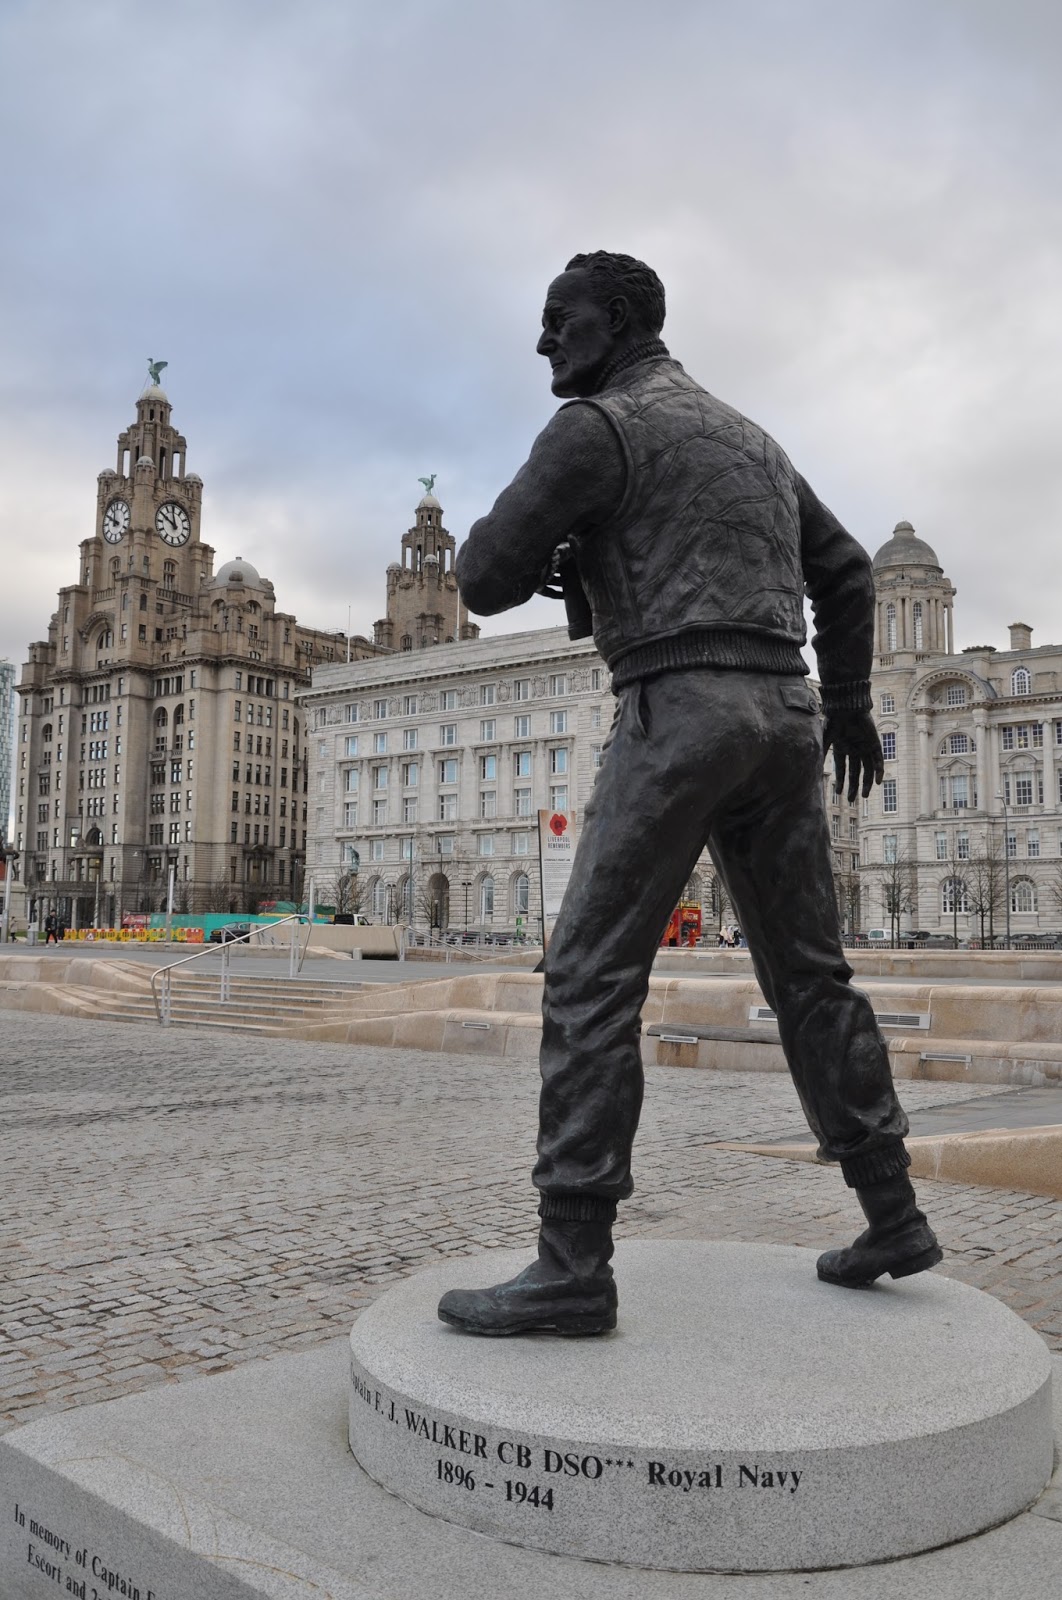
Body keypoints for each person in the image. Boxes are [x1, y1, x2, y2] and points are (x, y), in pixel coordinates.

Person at [437, 251, 940, 1338]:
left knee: (588, 977)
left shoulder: (596, 429)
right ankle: (893, 1211)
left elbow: (481, 576)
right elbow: (846, 572)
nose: (543, 341)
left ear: (616, 320)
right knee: (811, 976)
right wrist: (848, 704)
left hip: (679, 710)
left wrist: (555, 540)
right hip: (785, 718)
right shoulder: (750, 438)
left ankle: (573, 1261)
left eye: (559, 320)